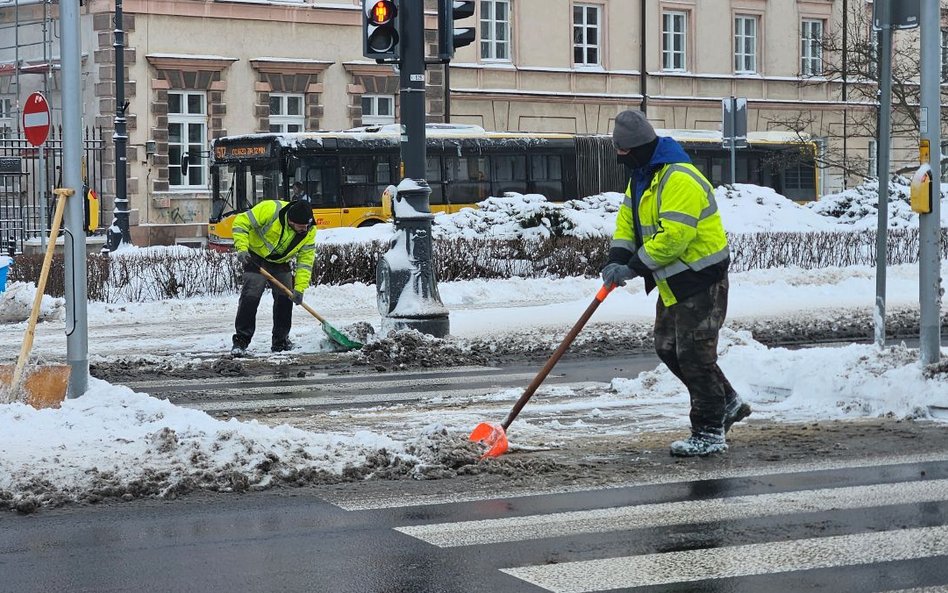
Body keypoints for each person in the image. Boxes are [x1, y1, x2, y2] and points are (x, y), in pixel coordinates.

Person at [601, 109, 751, 457]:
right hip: (674, 280)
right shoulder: (642, 176)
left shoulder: (678, 178)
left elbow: (674, 238)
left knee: (695, 356)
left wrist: (634, 268)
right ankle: (726, 401)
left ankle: (709, 431)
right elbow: (628, 222)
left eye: (622, 153)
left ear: (637, 148)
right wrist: (616, 260)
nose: (620, 159)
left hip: (701, 279)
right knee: (668, 347)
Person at [231, 199, 316, 356]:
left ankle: (280, 341)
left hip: (280, 261)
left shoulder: (309, 230)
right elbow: (241, 222)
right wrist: (242, 249)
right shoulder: (270, 209)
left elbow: (305, 261)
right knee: (251, 295)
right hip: (255, 257)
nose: (304, 230)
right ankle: (241, 341)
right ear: (290, 220)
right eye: (301, 227)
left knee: (286, 297)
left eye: (307, 226)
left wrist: (299, 288)